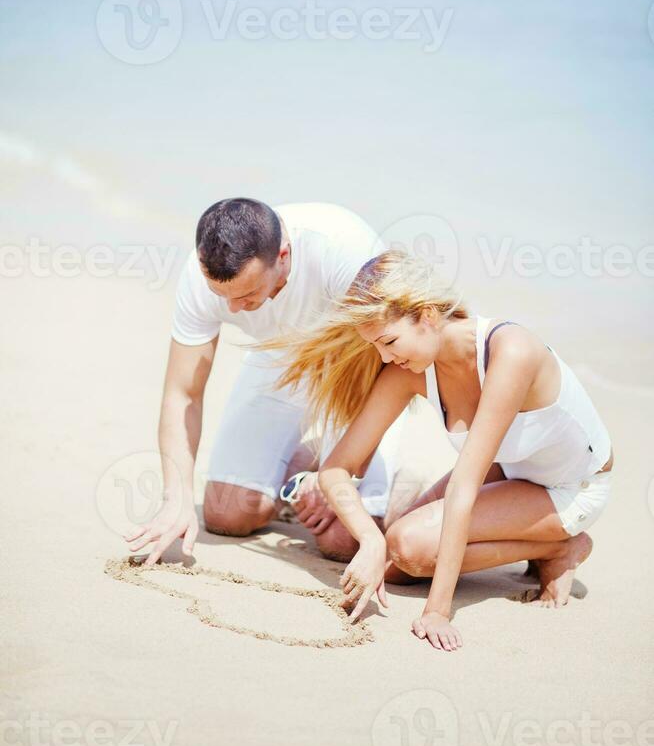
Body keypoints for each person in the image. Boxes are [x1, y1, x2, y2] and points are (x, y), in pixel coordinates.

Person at [275, 250, 614, 651]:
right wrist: (370, 539)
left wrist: (438, 611)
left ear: (428, 316)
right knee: (394, 564)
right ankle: (538, 543)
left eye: (388, 341)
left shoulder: (512, 351)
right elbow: (337, 468)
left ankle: (561, 546)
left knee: (409, 547)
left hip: (572, 486)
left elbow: (464, 489)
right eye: (377, 346)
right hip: (513, 469)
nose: (385, 357)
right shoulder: (409, 368)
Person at [123, 199, 405, 567]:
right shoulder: (200, 274)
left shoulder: (344, 250)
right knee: (228, 515)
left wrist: (342, 469)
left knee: (342, 540)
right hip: (277, 355)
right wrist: (175, 498)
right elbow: (182, 395)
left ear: (283, 255)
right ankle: (302, 465)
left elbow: (395, 369)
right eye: (222, 297)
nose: (234, 309)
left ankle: (394, 488)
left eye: (247, 295)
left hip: (358, 364)